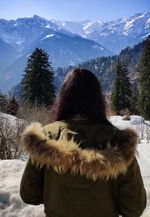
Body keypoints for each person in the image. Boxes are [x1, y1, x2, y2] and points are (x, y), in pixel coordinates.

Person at [20, 68, 146, 217]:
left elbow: (29, 195)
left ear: (64, 99)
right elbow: (134, 207)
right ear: (98, 100)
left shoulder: (45, 137)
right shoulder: (120, 143)